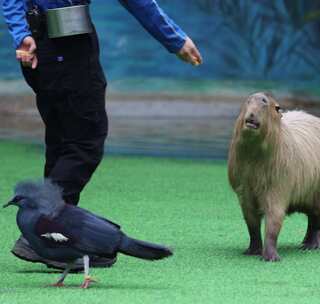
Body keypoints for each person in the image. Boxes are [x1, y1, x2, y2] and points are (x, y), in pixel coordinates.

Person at [2, 0, 203, 269]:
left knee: (62, 141)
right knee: (84, 142)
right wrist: (174, 38)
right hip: (66, 48)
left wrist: (22, 33)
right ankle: (42, 236)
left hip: (39, 49)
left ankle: (50, 239)